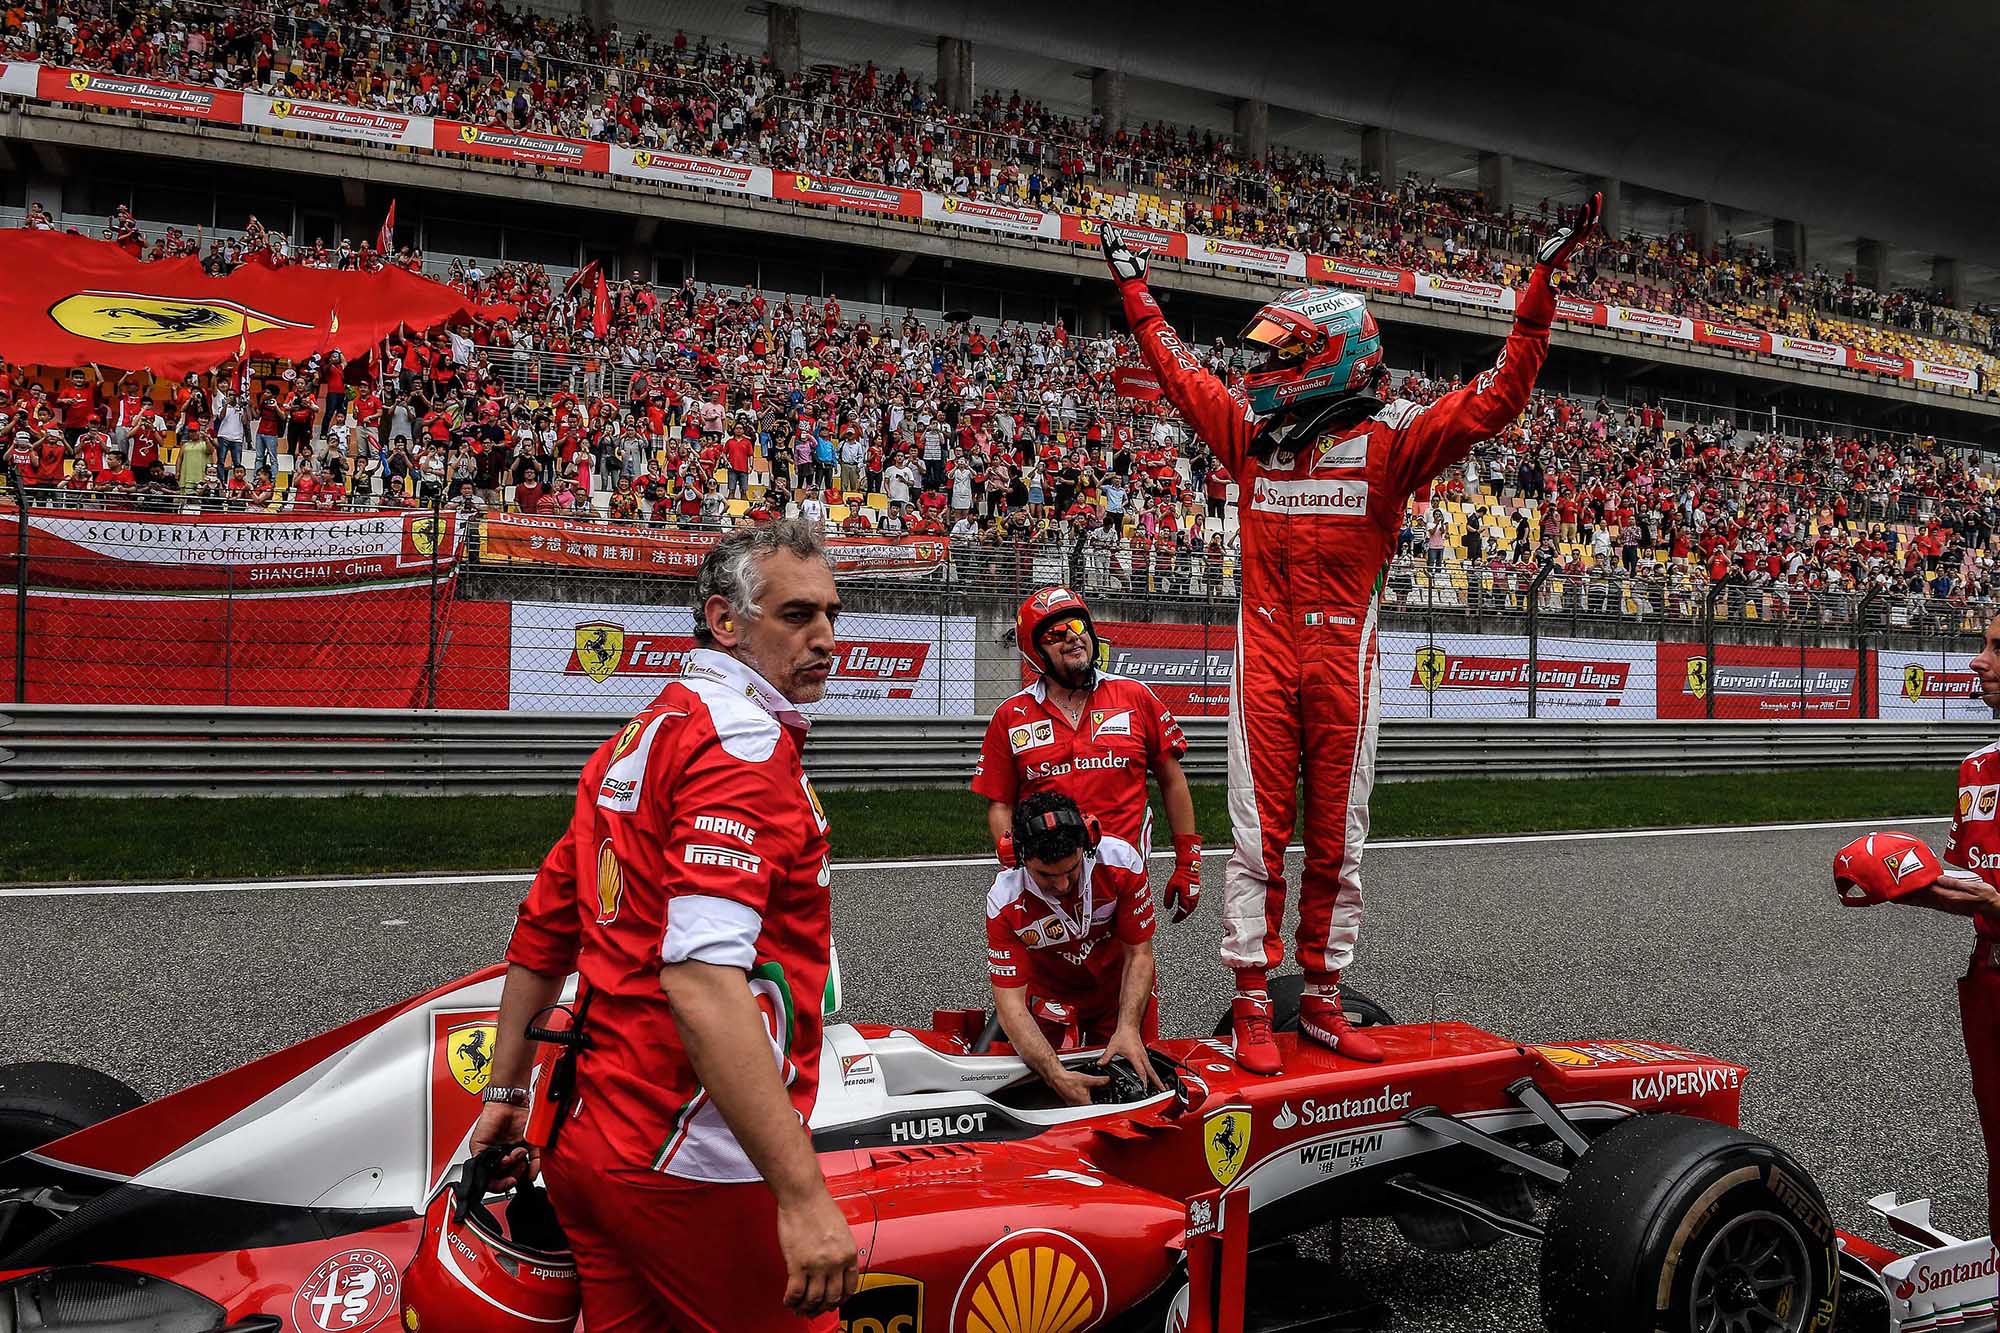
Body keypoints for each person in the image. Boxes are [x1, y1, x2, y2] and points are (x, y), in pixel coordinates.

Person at [1099, 196, 1602, 1074]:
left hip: (1345, 660)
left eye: (1279, 356)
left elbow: (1499, 397)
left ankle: (1323, 994)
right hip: (1266, 652)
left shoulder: (1393, 439)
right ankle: (1253, 997)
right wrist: (1136, 288)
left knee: (1341, 836)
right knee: (1257, 835)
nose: (1258, 372)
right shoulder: (1248, 435)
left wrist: (1539, 288)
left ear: (1329, 359)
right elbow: (1178, 370)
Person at [469, 521, 854, 1332]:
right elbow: (701, 981)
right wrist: (802, 1194)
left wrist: (505, 1092)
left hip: (588, 1138)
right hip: (693, 1158)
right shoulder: (741, 743)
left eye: (831, 614)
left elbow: (545, 929)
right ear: (725, 621)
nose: (825, 638)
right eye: (796, 615)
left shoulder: (641, 734)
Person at [1835, 614, 2000, 1244]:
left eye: (1997, 648)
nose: (1977, 662)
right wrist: (1913, 884)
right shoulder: (1978, 769)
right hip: (1989, 979)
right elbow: (1975, 882)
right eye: (1981, 645)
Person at [973, 585, 1201, 921]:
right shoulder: (1010, 715)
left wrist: (1188, 861)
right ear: (1035, 650)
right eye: (1056, 633)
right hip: (1049, 884)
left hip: (1123, 880)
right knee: (1047, 972)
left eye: (1078, 627)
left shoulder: (1135, 696)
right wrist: (1010, 850)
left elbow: (1172, 781)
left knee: (1134, 964)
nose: (1072, 638)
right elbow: (1000, 802)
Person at [985, 791, 1164, 1106]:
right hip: (1048, 1004)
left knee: (1142, 1093)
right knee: (1039, 1098)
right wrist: (1054, 1073)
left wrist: (1128, 1027)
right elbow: (1009, 1004)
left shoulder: (1122, 862)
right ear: (1018, 857)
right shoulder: (1003, 899)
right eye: (1046, 875)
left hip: (1117, 995)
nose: (1063, 885)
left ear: (1087, 844)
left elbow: (1140, 954)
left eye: (1071, 870)